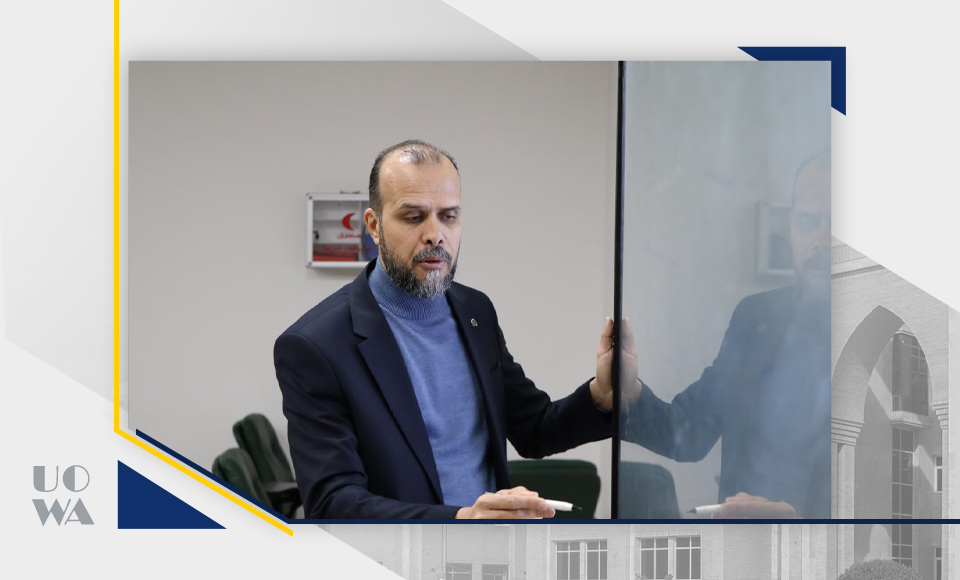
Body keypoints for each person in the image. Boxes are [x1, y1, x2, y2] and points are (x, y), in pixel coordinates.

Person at [274, 140, 615, 519]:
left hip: (492, 549)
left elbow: (533, 428)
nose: (435, 234)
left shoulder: (475, 312)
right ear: (373, 225)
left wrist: (600, 396)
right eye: (413, 217)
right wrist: (459, 521)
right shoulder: (316, 346)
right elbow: (333, 503)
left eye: (448, 216)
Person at [621, 151, 831, 519]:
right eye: (807, 221)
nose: (822, 240)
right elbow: (689, 431)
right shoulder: (756, 318)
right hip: (743, 546)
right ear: (790, 224)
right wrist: (629, 395)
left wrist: (803, 526)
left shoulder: (901, 334)